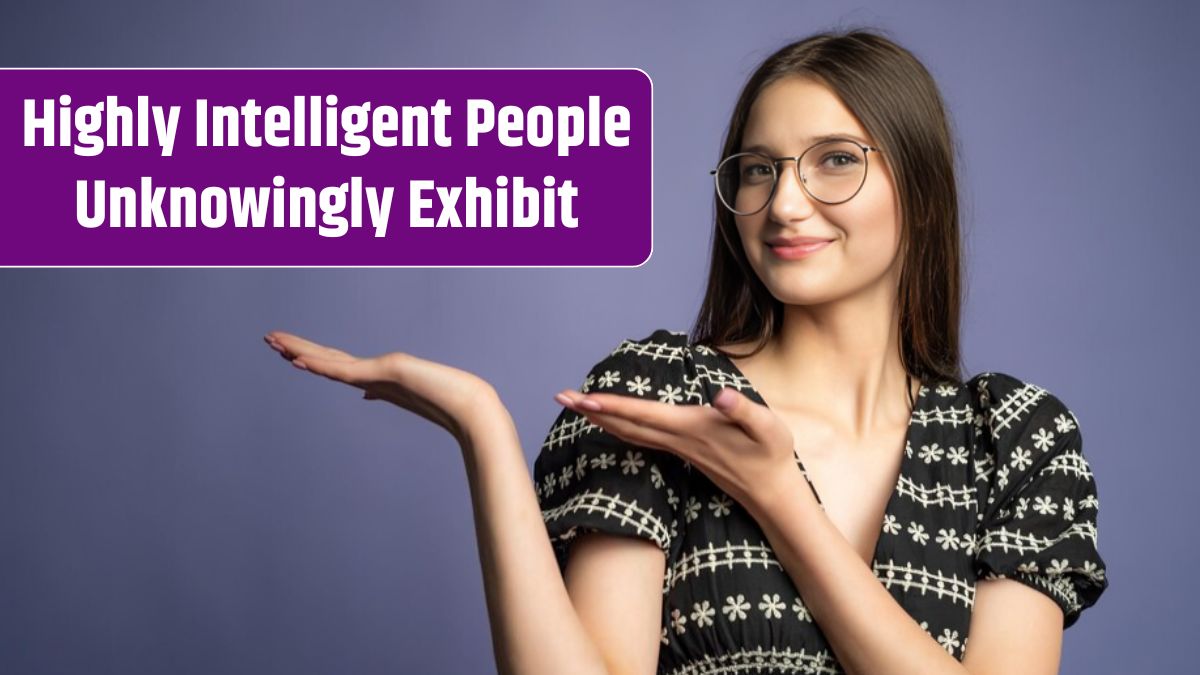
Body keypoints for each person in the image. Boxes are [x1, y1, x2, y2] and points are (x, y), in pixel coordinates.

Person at [263, 27, 1108, 675]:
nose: (784, 205)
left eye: (836, 162)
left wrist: (778, 495)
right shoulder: (663, 393)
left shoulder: (1014, 436)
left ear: (920, 189)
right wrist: (483, 426)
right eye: (756, 170)